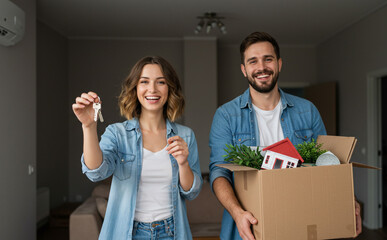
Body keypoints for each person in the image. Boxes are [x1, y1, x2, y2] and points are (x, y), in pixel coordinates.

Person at [208, 32, 362, 240]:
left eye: (268, 59)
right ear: (244, 70)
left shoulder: (307, 110)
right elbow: (219, 173)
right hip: (250, 227)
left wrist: (347, 199)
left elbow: (328, 163)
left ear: (279, 64)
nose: (261, 67)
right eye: (253, 61)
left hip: (301, 220)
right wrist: (237, 213)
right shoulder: (226, 115)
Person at [72, 56, 202, 240]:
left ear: (170, 88)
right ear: (135, 88)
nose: (152, 89)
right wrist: (88, 126)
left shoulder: (186, 135)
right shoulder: (117, 134)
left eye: (161, 82)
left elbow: (191, 192)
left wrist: (183, 164)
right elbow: (96, 172)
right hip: (128, 233)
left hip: (172, 232)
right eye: (144, 82)